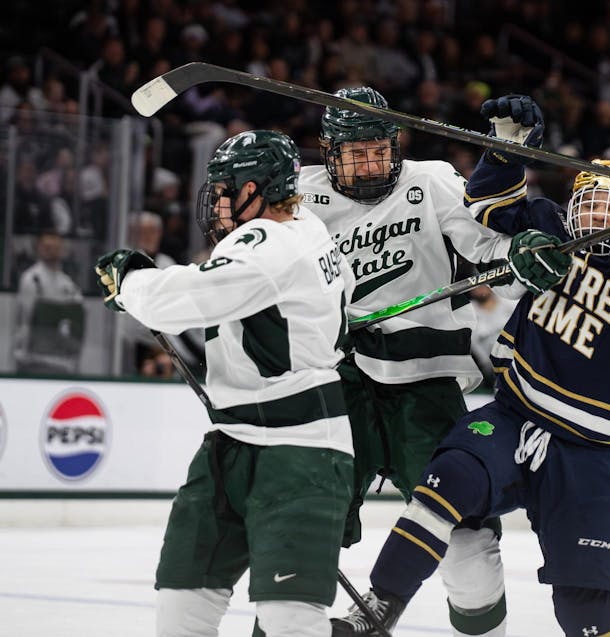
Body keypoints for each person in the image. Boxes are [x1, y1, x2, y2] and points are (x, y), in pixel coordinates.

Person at [332, 94, 610, 636]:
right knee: (441, 486)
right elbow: (487, 206)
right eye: (591, 198)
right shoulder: (550, 231)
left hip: (586, 450)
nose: (601, 213)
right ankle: (380, 605)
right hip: (512, 416)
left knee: (585, 605)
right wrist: (508, 149)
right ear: (572, 202)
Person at [95, 130, 355, 637]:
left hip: (300, 452)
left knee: (290, 623)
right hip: (233, 443)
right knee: (180, 606)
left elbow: (185, 299)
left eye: (225, 189)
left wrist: (133, 280)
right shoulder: (307, 228)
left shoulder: (269, 242)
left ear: (258, 188)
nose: (216, 201)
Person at [295, 87, 515, 637]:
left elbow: (490, 251)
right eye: (354, 153)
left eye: (378, 150)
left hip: (425, 378)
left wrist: (521, 258)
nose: (369, 164)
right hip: (339, 377)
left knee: (464, 521)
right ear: (328, 151)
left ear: (396, 144)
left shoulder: (433, 180)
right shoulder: (299, 192)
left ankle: (485, 628)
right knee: (300, 513)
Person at [14, 229, 84, 374]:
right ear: (39, 249)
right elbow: (25, 320)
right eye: (47, 248)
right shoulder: (32, 279)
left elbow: (75, 320)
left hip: (62, 360)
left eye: (56, 248)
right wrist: (22, 354)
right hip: (35, 358)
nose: (52, 251)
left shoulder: (68, 283)